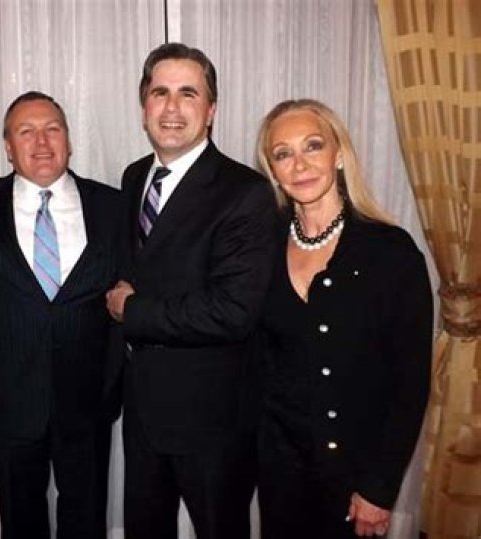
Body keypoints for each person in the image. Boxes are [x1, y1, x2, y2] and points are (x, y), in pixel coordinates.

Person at [106, 43, 276, 539]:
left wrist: (132, 311)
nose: (172, 108)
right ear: (144, 106)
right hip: (143, 410)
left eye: (188, 93)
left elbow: (233, 311)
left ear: (212, 109)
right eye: (160, 93)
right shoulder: (134, 176)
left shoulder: (245, 192)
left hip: (213, 419)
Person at [254, 98, 432, 538]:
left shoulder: (390, 252)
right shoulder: (260, 245)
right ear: (273, 170)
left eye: (313, 146)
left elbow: (409, 383)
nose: (300, 164)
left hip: (355, 479)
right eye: (283, 153)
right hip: (279, 473)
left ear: (338, 155)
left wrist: (380, 488)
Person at [0, 92, 121, 539]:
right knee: (19, 522)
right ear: (8, 147)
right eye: (26, 132)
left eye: (53, 129)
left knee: (87, 521)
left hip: (88, 400)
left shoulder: (113, 206)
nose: (42, 142)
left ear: (69, 141)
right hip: (10, 400)